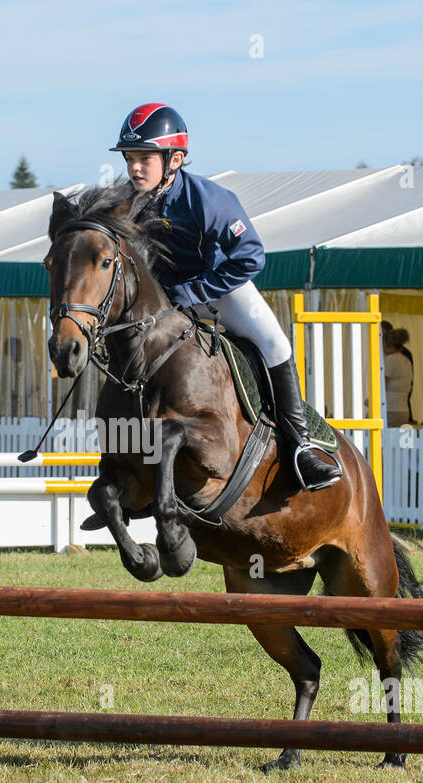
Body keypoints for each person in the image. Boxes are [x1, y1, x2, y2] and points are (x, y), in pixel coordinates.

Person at [110, 103, 340, 492]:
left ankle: (299, 447)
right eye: (131, 157)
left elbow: (250, 256)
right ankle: (126, 461)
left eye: (144, 158)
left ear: (175, 159)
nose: (134, 167)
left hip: (219, 290)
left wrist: (193, 292)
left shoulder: (209, 200)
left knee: (275, 343)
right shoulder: (126, 201)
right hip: (164, 301)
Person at [381, 322, 414, 427]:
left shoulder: (390, 360)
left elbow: (382, 385)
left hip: (390, 409)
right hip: (404, 410)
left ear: (387, 345)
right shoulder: (406, 360)